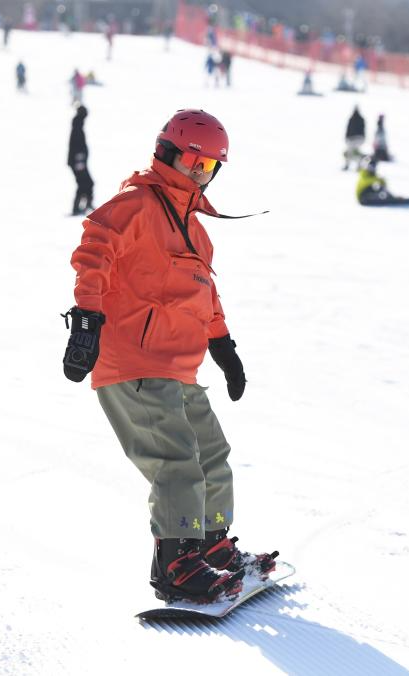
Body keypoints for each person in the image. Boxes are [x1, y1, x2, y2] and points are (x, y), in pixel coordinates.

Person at [62, 109, 278, 604]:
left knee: (212, 457)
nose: (198, 175)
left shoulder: (196, 231)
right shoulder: (136, 204)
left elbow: (205, 296)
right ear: (167, 153)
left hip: (179, 368)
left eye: (208, 169)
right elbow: (94, 251)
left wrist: (223, 346)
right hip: (134, 363)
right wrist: (88, 321)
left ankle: (212, 548)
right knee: (177, 462)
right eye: (192, 163)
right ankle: (177, 566)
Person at [68, 105, 94, 215]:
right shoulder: (77, 126)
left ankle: (85, 205)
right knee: (84, 184)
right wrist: (79, 161)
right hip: (78, 162)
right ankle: (77, 208)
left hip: (79, 161)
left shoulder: (77, 124)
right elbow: (77, 146)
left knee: (87, 183)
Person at [343, 105, 366, 170]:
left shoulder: (358, 119)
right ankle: (348, 165)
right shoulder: (353, 119)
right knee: (350, 153)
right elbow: (348, 129)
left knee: (354, 153)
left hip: (356, 139)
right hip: (352, 139)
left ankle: (357, 165)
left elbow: (363, 130)